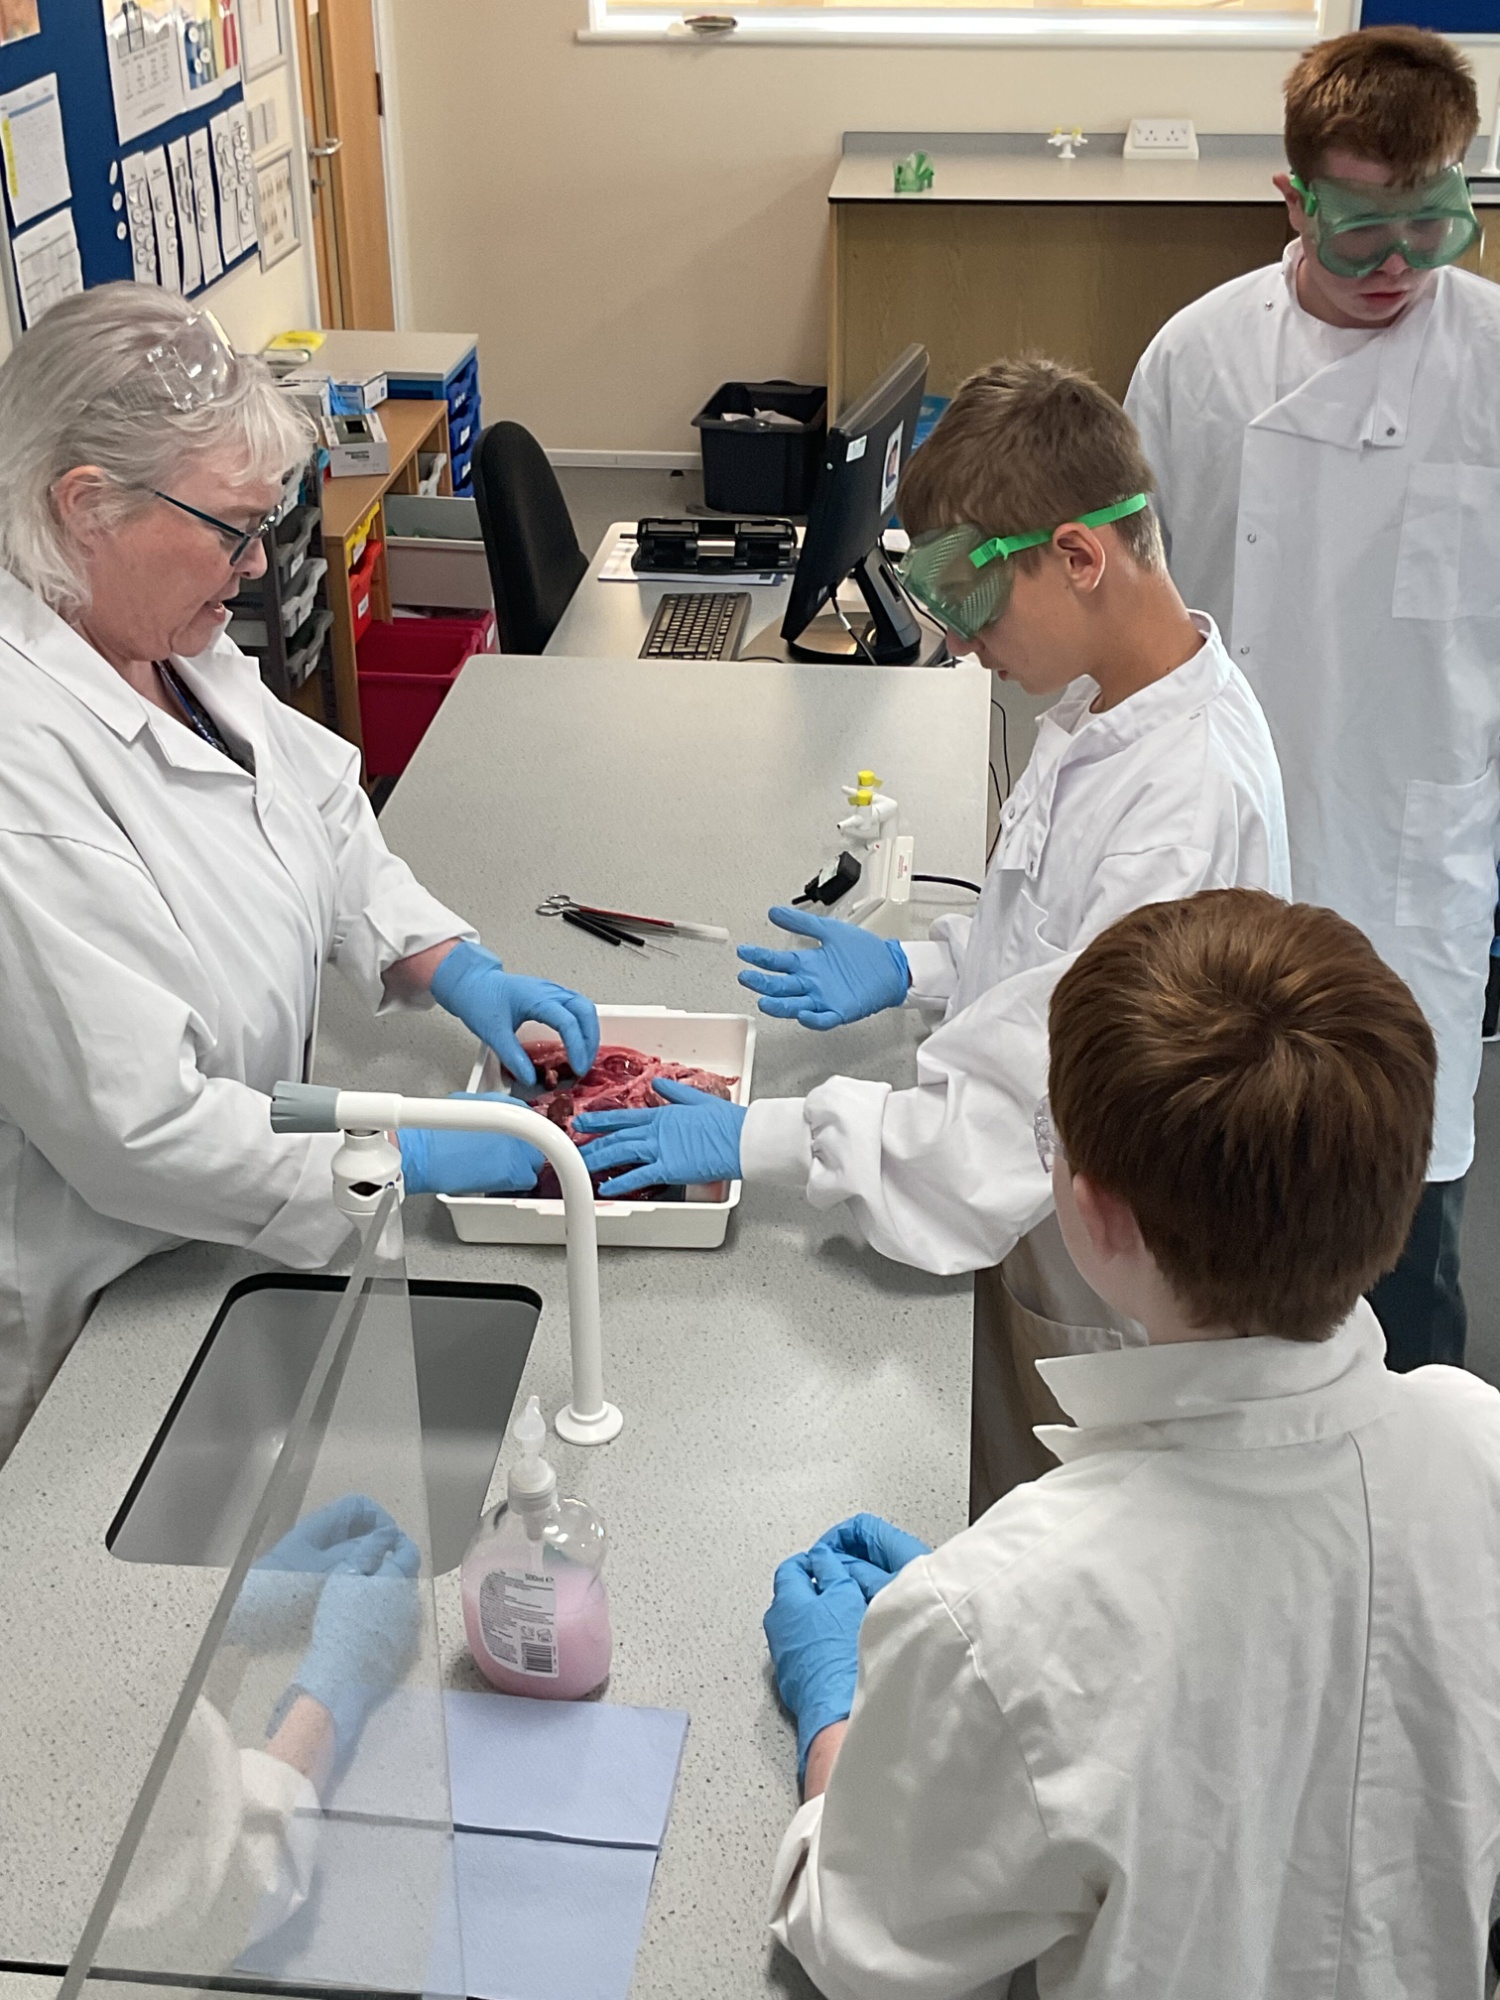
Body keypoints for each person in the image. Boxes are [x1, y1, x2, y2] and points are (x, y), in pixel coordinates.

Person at [762, 889, 1500, 1997]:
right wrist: (988, 1666)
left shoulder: (1009, 1608)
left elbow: (855, 1941)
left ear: (1092, 1211)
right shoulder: (1478, 1440)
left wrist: (854, 1724)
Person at [576, 359, 1290, 1506]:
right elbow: (1049, 949)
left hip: (1111, 1291)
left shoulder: (1178, 812)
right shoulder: (1114, 701)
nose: (959, 645)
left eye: (974, 604)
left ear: (1077, 555)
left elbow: (1000, 1135)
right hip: (1064, 1237)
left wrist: (758, 1141)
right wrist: (918, 964)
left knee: (1047, 1555)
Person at [0, 286, 601, 1463]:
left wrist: (445, 957)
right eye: (230, 527)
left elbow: (316, 800)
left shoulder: (162, 639)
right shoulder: (22, 774)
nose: (255, 562)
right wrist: (403, 1157)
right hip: (103, 1310)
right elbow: (143, 1128)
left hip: (235, 1248)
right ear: (85, 505)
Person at [1125, 26, 1497, 1373]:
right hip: (1236, 847)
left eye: (1435, 223)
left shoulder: (1494, 361)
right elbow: (1129, 603)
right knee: (1221, 1215)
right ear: (1294, 203)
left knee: (1408, 1232)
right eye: (1361, 235)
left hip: (1418, 864)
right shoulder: (1198, 362)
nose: (1400, 265)